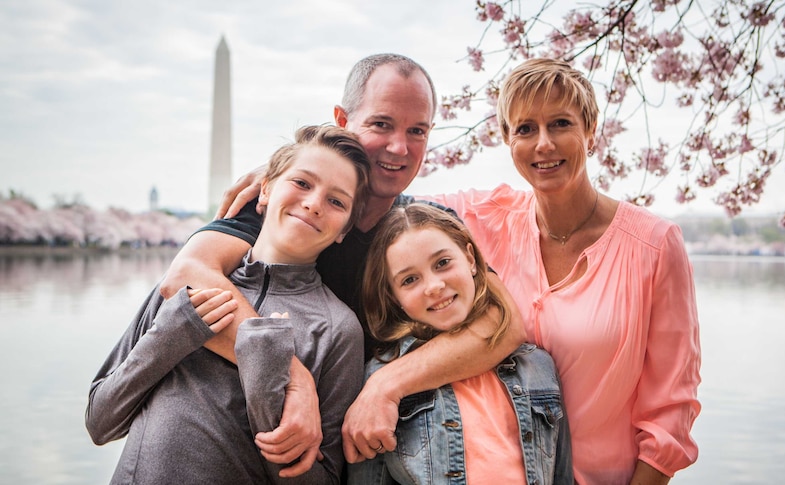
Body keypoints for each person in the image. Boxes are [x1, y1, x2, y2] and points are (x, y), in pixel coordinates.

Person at [157, 53, 526, 476]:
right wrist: (290, 375)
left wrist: (385, 387)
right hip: (234, 447)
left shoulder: (420, 231)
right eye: (381, 124)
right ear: (342, 119)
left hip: (363, 456)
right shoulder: (289, 210)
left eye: (417, 131)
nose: (399, 147)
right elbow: (185, 276)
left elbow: (504, 323)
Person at [426, 58, 702, 484]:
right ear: (506, 138)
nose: (543, 144)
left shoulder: (655, 245)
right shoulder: (486, 218)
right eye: (525, 129)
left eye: (560, 124)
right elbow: (387, 202)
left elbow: (671, 411)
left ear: (591, 132)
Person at [86, 125, 371, 484]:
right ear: (264, 189)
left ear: (344, 228)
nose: (314, 203)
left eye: (336, 201)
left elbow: (319, 480)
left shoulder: (337, 329)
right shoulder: (184, 286)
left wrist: (267, 375)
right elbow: (100, 421)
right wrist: (172, 335)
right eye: (301, 183)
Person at [347, 203, 573, 484]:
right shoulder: (378, 377)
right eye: (409, 279)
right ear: (394, 298)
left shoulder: (538, 366)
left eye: (442, 263)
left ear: (470, 259)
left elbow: (561, 475)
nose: (433, 286)